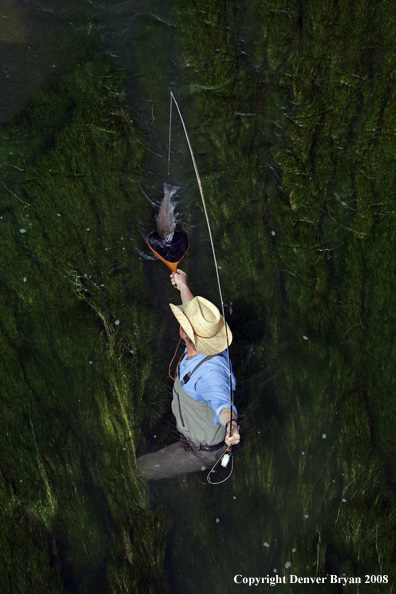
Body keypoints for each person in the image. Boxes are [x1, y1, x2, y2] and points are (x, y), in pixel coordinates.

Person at [136, 269, 240, 480]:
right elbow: (195, 315)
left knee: (140, 469)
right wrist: (183, 285)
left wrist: (232, 426)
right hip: (193, 425)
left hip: (201, 450)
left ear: (184, 333)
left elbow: (224, 406)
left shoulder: (210, 376)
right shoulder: (209, 341)